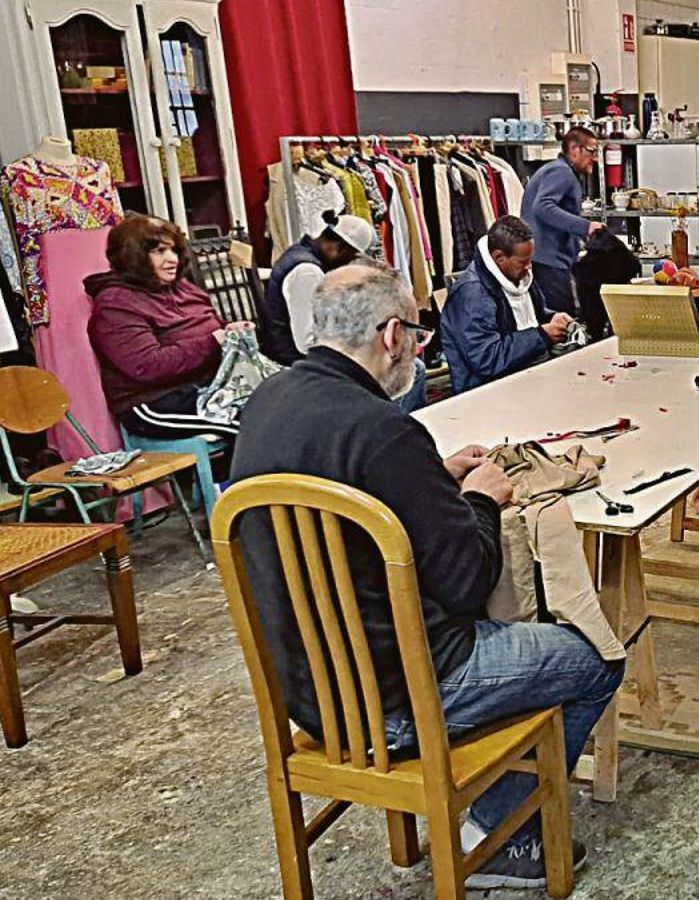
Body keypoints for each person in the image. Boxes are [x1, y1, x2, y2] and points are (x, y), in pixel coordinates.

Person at [230, 266, 623, 890]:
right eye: (414, 332)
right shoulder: (385, 430)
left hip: (306, 689)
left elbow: (344, 501)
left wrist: (429, 475)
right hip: (397, 702)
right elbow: (467, 582)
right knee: (596, 658)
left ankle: (494, 811)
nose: (416, 346)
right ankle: (504, 838)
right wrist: (482, 499)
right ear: (391, 334)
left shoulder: (270, 402)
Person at [86, 214, 250, 442]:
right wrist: (213, 341)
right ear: (133, 256)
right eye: (159, 251)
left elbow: (211, 324)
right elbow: (147, 365)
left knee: (279, 400)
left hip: (205, 386)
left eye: (173, 250)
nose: (172, 259)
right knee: (247, 423)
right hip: (154, 402)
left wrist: (230, 329)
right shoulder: (115, 304)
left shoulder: (183, 288)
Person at [441, 215, 575, 394]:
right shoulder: (473, 294)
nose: (529, 267)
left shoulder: (519, 276)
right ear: (499, 257)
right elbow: (486, 358)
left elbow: (532, 316)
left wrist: (552, 318)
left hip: (522, 375)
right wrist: (542, 335)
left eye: (530, 260)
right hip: (486, 393)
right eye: (523, 261)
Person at [259, 210, 373, 367]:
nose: (347, 265)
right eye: (349, 259)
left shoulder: (299, 252)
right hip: (295, 362)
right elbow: (307, 343)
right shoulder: (307, 272)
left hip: (295, 355)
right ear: (338, 249)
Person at [520, 126, 606, 317]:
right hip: (548, 261)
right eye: (592, 151)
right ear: (575, 149)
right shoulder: (561, 172)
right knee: (561, 321)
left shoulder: (559, 170)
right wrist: (586, 226)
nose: (596, 158)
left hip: (546, 258)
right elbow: (543, 207)